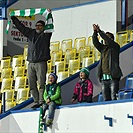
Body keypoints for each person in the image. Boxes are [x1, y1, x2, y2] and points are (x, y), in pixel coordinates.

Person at [11, 9, 53, 108]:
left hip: (41, 62)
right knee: (31, 84)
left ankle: (42, 101)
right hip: (31, 62)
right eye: (36, 25)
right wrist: (13, 18)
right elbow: (21, 27)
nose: (37, 27)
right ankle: (36, 101)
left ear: (43, 27)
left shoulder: (46, 34)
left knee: (41, 83)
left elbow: (50, 25)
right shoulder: (31, 33)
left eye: (39, 26)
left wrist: (49, 15)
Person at [92, 24, 123, 101]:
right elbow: (95, 43)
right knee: (106, 98)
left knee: (114, 97)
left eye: (107, 38)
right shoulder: (103, 49)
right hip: (104, 78)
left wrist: (100, 32)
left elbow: (108, 40)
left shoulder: (115, 47)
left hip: (113, 77)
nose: (105, 40)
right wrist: (95, 33)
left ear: (112, 39)